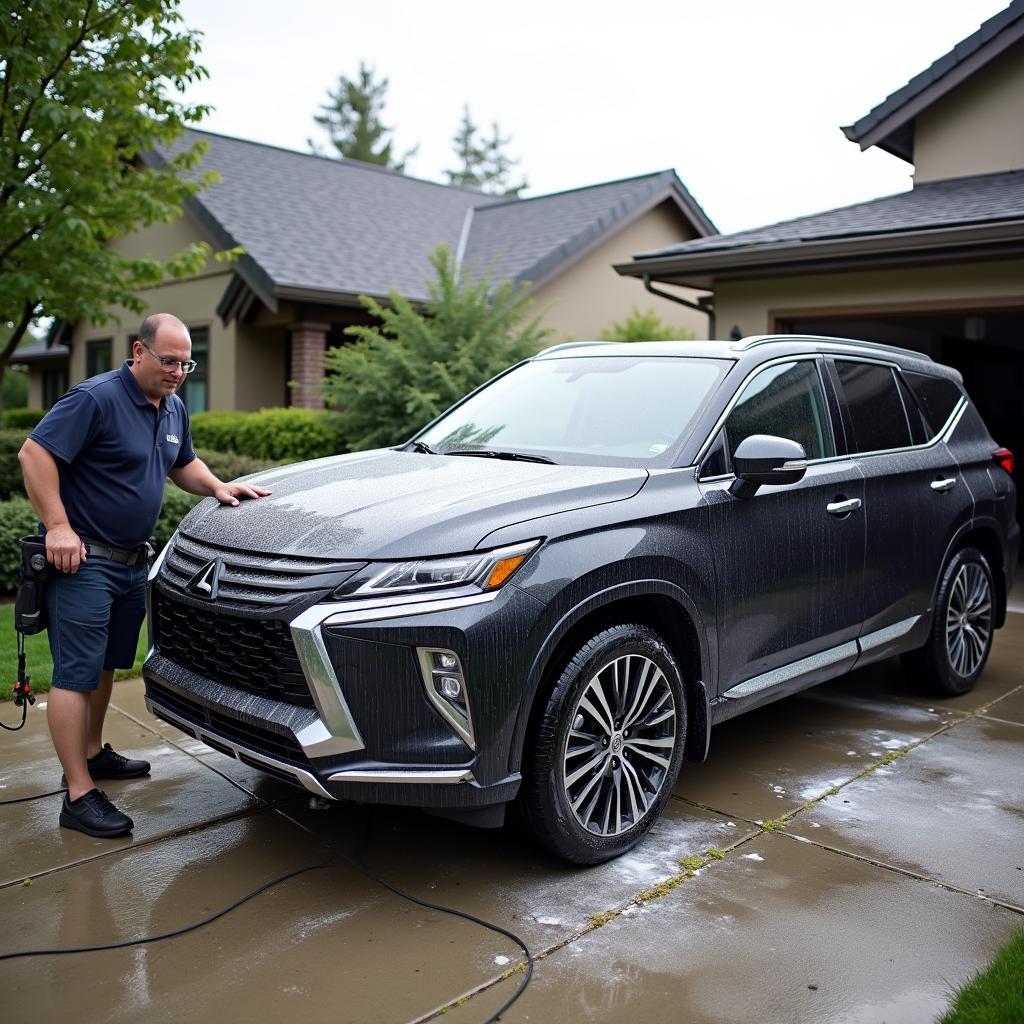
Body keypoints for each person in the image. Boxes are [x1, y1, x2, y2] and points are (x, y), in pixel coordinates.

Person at [18, 313, 271, 839]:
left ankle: (93, 753)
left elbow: (183, 463)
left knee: (111, 662)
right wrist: (57, 527)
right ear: (139, 351)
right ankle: (79, 792)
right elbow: (34, 453)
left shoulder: (172, 406)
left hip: (132, 563)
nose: (179, 371)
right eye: (169, 360)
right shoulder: (97, 398)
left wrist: (220, 487)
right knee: (75, 672)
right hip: (84, 561)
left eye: (186, 362)